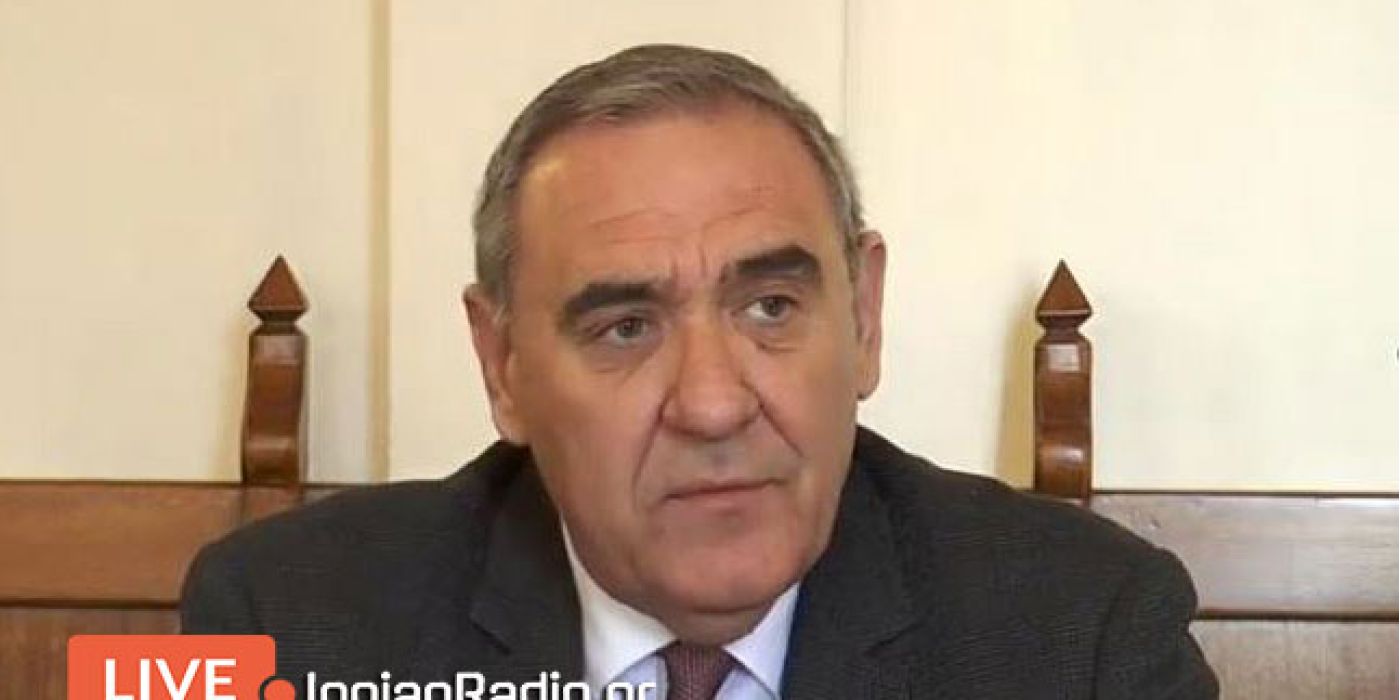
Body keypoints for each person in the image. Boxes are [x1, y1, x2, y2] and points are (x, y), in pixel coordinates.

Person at [182, 44, 1218, 699]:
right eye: (625, 327)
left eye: (770, 308)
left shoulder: (1084, 633)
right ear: (502, 365)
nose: (714, 403)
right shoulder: (283, 626)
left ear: (863, 317)